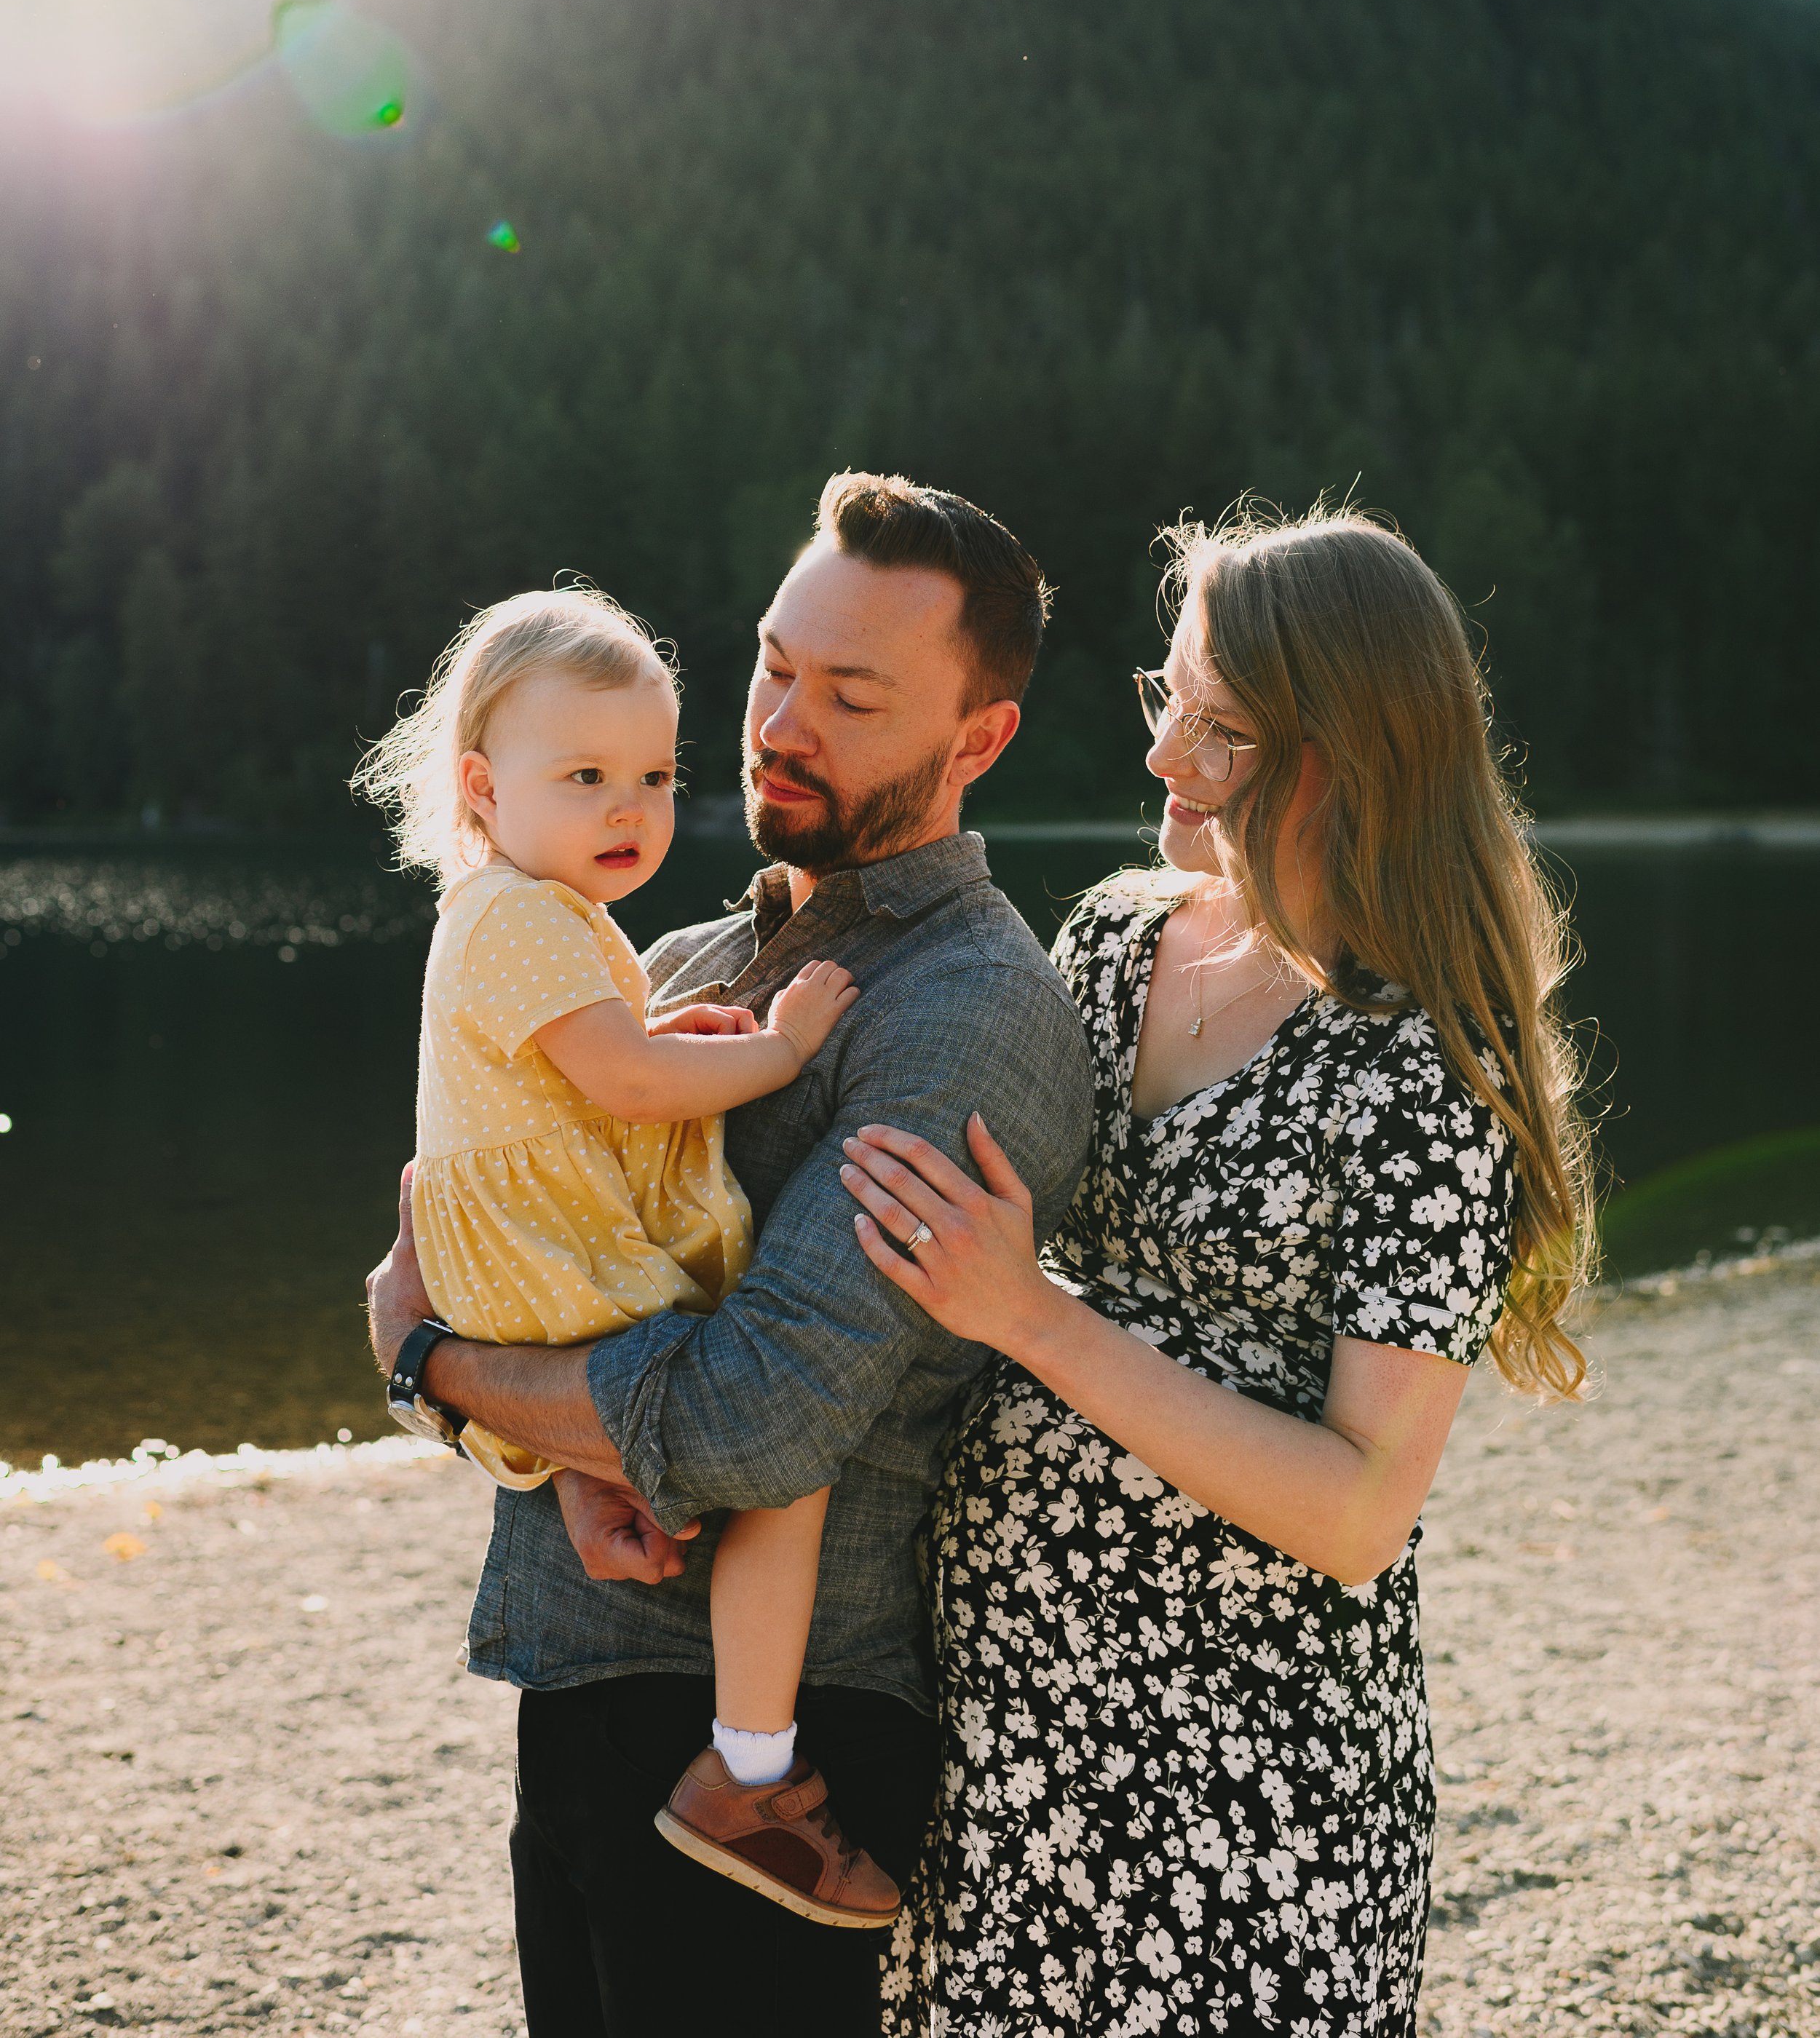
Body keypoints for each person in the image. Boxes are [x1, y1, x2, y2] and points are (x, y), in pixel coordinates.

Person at [839, 503, 1594, 2038]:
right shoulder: (1112, 945)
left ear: (1346, 754)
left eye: (1216, 728)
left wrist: (1033, 1318)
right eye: (1163, 698)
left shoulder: (1427, 1076)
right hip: (1002, 1748)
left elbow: (1357, 1506)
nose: (1163, 757)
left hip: (1244, 1801)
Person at [365, 473, 1096, 2037]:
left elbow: (761, 1413)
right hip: (587, 1697)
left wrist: (431, 1368)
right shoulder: (683, 961)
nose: (780, 719)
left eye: (849, 692)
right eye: (774, 663)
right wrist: (509, 1411)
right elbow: (506, 1237)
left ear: (977, 740)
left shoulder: (962, 1010)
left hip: (775, 1749)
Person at [352, 583, 898, 1924]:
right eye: (585, 774)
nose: (628, 808)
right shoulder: (527, 919)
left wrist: (673, 1029)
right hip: (552, 1259)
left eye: (654, 774)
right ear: (483, 786)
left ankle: (600, 1485)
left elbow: (598, 1065)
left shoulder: (514, 910)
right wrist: (781, 1042)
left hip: (520, 1261)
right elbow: (630, 1083)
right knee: (787, 1456)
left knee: (661, 1439)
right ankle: (754, 1768)